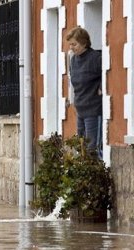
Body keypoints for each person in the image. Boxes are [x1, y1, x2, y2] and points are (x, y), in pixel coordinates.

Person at [66, 26, 102, 158]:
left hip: (93, 110)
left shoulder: (95, 58)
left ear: (84, 43)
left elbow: (107, 74)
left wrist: (101, 87)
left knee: (93, 147)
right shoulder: (74, 60)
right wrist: (73, 102)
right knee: (81, 145)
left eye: (74, 44)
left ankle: (96, 176)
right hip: (80, 109)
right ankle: (85, 175)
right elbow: (72, 82)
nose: (71, 47)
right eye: (70, 44)